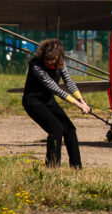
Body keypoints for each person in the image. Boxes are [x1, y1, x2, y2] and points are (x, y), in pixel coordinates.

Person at [22, 39, 91, 168]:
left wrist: (82, 101)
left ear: (59, 57)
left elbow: (68, 82)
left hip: (48, 100)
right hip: (33, 102)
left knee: (70, 129)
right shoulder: (36, 65)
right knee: (56, 129)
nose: (50, 64)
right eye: (48, 60)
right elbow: (56, 89)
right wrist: (78, 105)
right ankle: (52, 168)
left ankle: (77, 167)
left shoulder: (60, 64)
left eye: (53, 61)